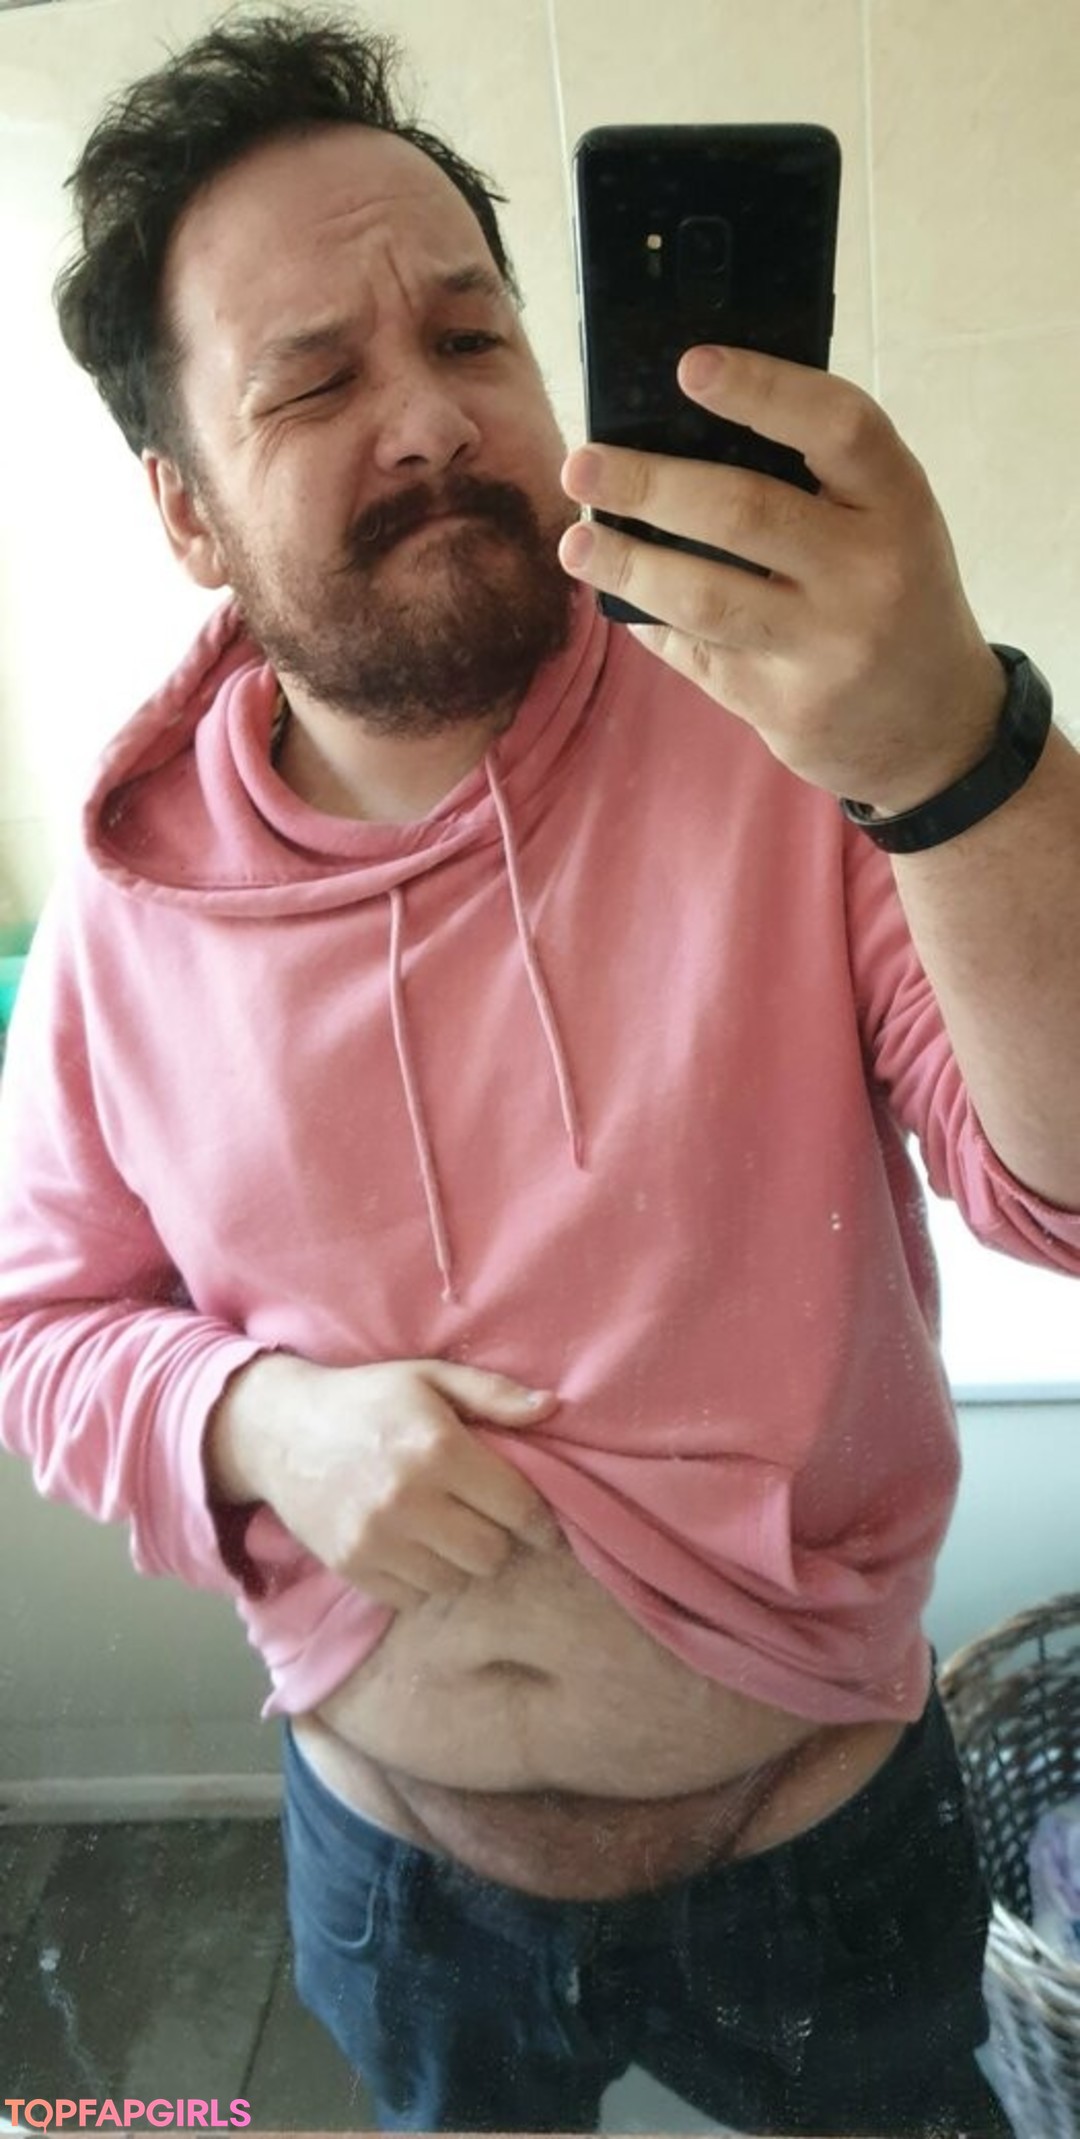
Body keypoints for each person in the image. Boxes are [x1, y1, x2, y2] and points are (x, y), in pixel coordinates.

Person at [1, 10, 1078, 2136]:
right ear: (187, 508)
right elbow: (40, 1332)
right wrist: (256, 1418)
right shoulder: (130, 892)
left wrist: (957, 752)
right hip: (399, 1886)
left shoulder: (790, 736)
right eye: (315, 381)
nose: (431, 417)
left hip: (821, 1849)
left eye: (471, 336)